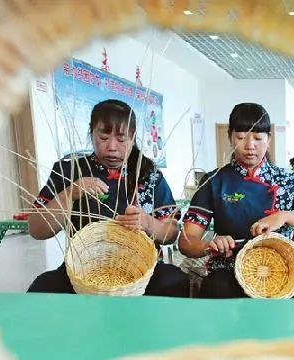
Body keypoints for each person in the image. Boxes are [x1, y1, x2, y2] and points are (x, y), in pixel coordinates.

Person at [27, 99, 189, 297]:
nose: (112, 147)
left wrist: (148, 223)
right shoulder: (69, 170)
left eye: (121, 139)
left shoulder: (148, 174)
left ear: (133, 138)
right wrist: (70, 193)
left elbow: (171, 233)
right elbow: (36, 229)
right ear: (91, 133)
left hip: (143, 270)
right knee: (43, 289)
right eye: (103, 137)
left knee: (174, 281)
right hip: (83, 270)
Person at [179, 103, 294, 298]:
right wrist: (210, 244)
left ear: (269, 139)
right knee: (216, 287)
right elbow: (186, 241)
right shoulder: (214, 181)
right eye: (241, 137)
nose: (250, 145)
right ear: (230, 137)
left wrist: (285, 216)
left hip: (282, 267)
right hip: (230, 268)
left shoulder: (288, 179)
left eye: (258, 138)